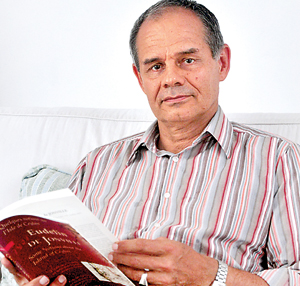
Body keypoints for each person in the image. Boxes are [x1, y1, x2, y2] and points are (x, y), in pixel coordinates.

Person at [2, 0, 300, 285]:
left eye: (187, 60)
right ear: (140, 77)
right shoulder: (97, 165)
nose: (171, 78)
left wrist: (213, 275)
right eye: (156, 66)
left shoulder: (276, 158)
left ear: (221, 63)